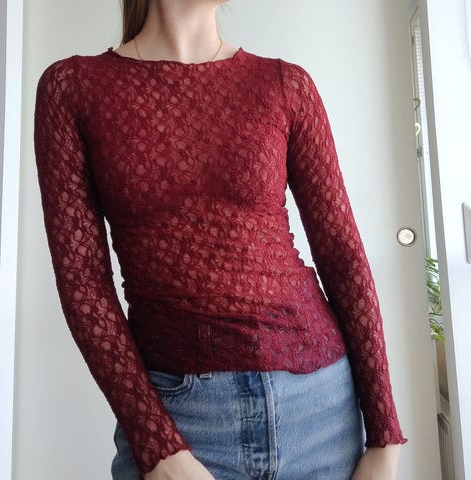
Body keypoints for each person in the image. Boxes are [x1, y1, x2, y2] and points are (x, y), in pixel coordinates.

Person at [33, 1, 406, 479]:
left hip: (320, 409)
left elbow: (341, 253)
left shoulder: (285, 84)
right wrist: (158, 447)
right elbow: (83, 283)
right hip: (179, 418)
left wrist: (385, 436)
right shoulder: (73, 88)